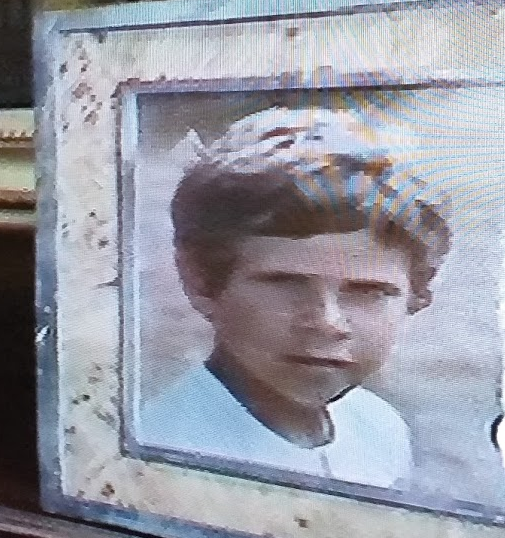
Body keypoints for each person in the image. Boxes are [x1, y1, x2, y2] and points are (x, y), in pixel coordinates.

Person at [134, 106, 452, 490]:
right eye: (286, 283)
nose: (326, 321)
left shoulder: (379, 426)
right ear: (201, 281)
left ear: (416, 296)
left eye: (367, 291)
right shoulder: (163, 451)